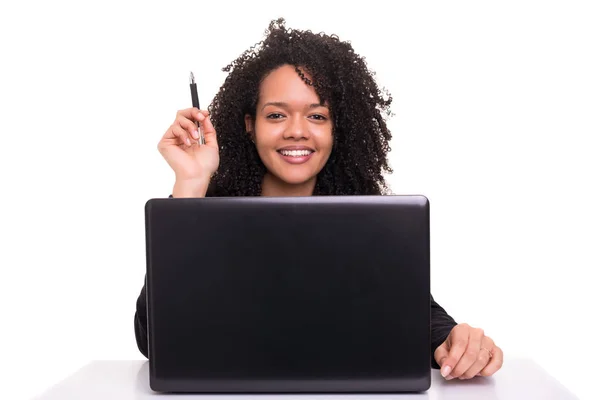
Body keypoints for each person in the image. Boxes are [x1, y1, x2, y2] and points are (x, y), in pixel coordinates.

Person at [134, 18, 503, 381]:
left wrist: (453, 339)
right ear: (250, 124)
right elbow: (153, 338)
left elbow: (415, 315)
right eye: (276, 115)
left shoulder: (367, 221)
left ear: (336, 126)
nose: (296, 131)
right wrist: (191, 183)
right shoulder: (204, 215)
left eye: (317, 115)